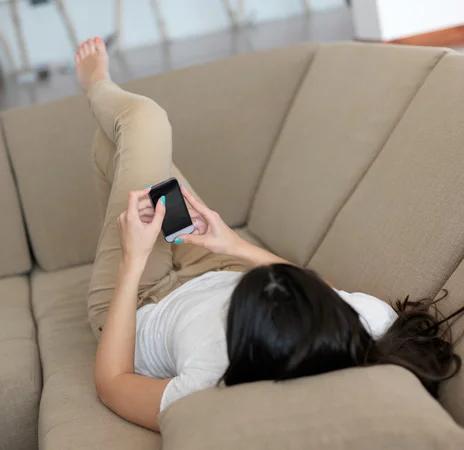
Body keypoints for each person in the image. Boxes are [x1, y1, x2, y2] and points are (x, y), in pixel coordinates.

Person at [76, 37, 464, 432]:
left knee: (140, 123)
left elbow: (113, 383)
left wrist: (132, 260)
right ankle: (115, 129)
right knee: (118, 144)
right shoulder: (371, 324)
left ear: (241, 340)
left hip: (141, 297)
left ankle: (96, 85)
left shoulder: (207, 386)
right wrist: (233, 244)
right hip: (216, 260)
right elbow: (316, 292)